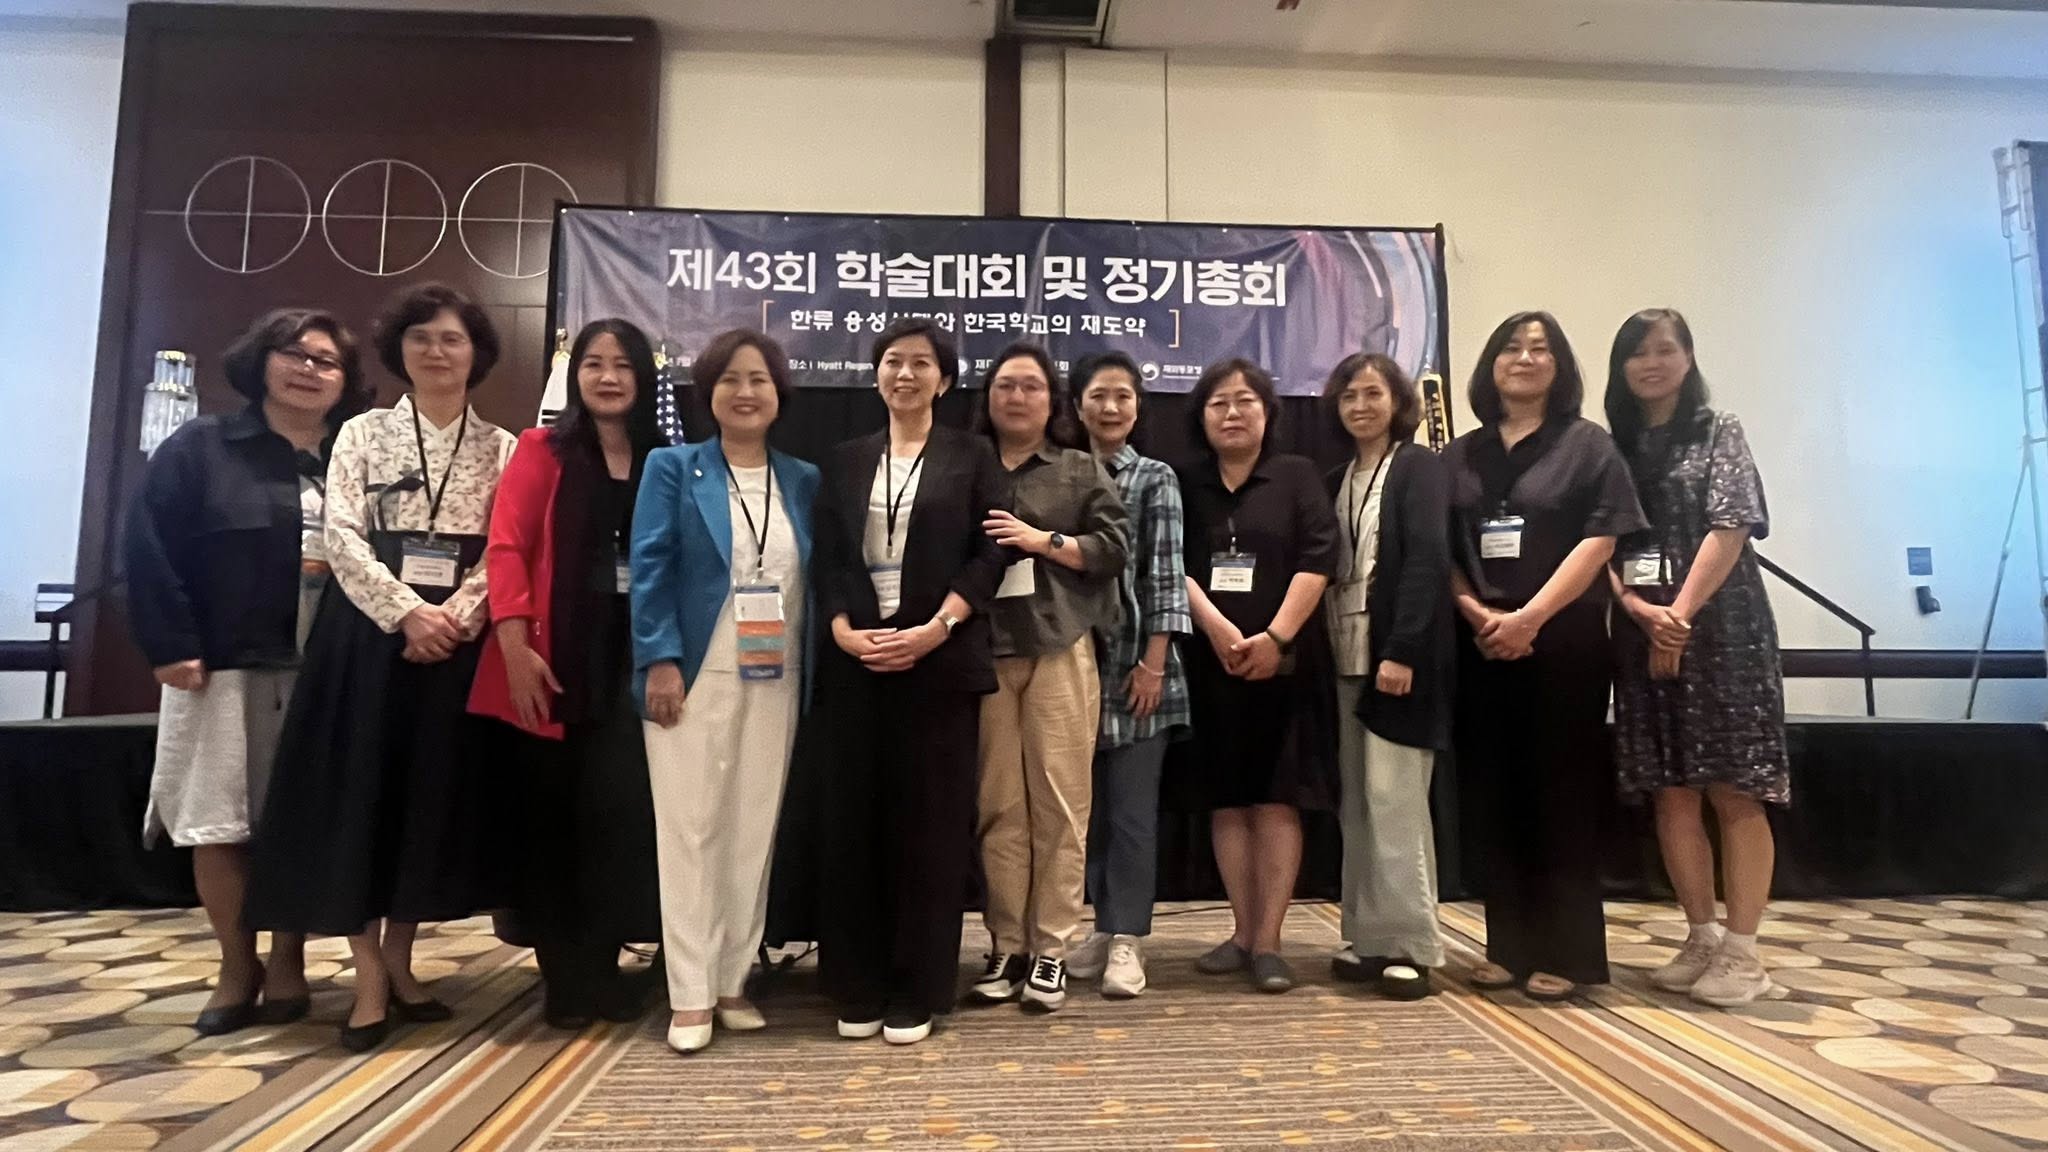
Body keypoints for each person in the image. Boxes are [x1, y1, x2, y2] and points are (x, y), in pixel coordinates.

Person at [245, 283, 518, 1052]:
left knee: (425, 803)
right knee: (359, 797)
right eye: (421, 337)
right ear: (400, 349)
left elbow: (508, 548)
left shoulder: (503, 447)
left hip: (455, 644)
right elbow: (340, 536)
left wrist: (455, 617)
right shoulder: (361, 433)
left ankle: (400, 958)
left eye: (453, 338)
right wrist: (407, 613)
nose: (437, 350)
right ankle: (367, 972)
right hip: (368, 639)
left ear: (477, 353)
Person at [124, 309, 369, 1035]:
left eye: (327, 361)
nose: (309, 370)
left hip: (326, 671)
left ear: (346, 380)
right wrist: (170, 644)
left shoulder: (353, 454)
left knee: (300, 818)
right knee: (219, 823)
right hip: (221, 664)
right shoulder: (201, 447)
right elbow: (148, 547)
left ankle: (289, 958)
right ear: (260, 361)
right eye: (294, 354)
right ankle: (237, 965)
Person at [811, 317, 1010, 1045]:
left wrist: (939, 627)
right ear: (876, 375)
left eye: (921, 363)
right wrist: (841, 628)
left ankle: (918, 987)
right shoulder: (845, 459)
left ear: (944, 380)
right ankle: (856, 983)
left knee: (930, 830)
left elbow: (992, 553)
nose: (905, 374)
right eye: (893, 361)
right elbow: (829, 555)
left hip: (939, 665)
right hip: (859, 661)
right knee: (855, 825)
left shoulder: (973, 455)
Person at [467, 319, 666, 1032]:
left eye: (623, 365)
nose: (608, 377)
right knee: (552, 822)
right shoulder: (542, 448)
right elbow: (506, 547)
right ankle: (564, 979)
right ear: (575, 375)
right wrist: (515, 647)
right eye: (594, 364)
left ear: (644, 378)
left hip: (633, 657)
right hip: (554, 657)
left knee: (617, 820)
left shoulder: (664, 458)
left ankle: (604, 968)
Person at [1444, 311, 1646, 1002]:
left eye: (1540, 349)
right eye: (1511, 347)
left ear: (1559, 367)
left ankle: (1571, 953)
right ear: (1490, 365)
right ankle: (1509, 947)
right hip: (1481, 643)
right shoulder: (1461, 455)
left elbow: (1602, 540)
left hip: (1565, 643)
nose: (1524, 358)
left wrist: (1530, 617)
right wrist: (1477, 612)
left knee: (1562, 795)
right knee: (1495, 795)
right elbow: (1443, 549)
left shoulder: (1589, 446)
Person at [631, 329, 819, 1054]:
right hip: (693, 669)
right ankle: (689, 992)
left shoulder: (802, 477)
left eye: (759, 379)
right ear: (708, 393)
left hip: (776, 672)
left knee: (753, 826)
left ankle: (734, 977)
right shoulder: (674, 467)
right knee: (690, 829)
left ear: (779, 394)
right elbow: (651, 566)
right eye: (731, 379)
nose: (745, 392)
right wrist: (659, 659)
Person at [1604, 309, 1788, 1007]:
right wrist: (1637, 609)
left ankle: (1744, 951)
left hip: (1721, 631)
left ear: (1688, 358)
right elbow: (1600, 541)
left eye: (1665, 350)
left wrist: (1678, 613)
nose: (1651, 363)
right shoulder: (1615, 446)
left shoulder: (1718, 431)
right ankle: (1702, 936)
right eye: (1637, 353)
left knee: (1733, 787)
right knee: (1671, 788)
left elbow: (1730, 526)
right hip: (1643, 630)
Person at [963, 343, 1128, 1014]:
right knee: (998, 807)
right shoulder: (965, 464)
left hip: (1060, 646)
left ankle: (1052, 948)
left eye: (1031, 386)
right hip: (984, 652)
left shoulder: (1078, 467)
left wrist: (1044, 542)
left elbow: (1115, 548)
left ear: (1051, 400)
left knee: (1061, 805)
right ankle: (1007, 945)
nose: (1017, 396)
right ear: (988, 395)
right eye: (1006, 384)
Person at [1177, 358, 1341, 994]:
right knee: (1227, 799)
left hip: (1285, 663)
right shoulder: (1186, 482)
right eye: (1218, 403)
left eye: (1245, 401)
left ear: (1268, 412)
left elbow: (1318, 558)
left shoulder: (1296, 475)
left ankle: (1270, 941)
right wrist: (1218, 630)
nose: (1232, 413)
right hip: (1211, 660)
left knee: (1275, 798)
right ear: (1201, 417)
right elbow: (1173, 563)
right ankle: (1242, 932)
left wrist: (1276, 638)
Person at [1319, 353, 1454, 1001]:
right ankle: (1367, 936)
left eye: (1372, 393)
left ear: (1397, 401)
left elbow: (1428, 559)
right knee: (1358, 804)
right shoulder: (1337, 477)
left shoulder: (1418, 467)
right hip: (1342, 655)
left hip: (1397, 659)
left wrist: (1402, 650)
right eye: (1349, 395)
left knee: (1395, 799)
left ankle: (1411, 944)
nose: (1360, 406)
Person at [1067, 352, 1191, 1000]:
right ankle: (1100, 923)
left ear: (1139, 406)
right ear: (1078, 405)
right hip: (1073, 667)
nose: (1111, 407)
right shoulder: (1064, 471)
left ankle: (1128, 937)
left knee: (1133, 814)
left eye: (1123, 396)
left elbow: (1167, 575)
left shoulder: (1155, 477)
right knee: (1084, 815)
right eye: (1099, 395)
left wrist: (1153, 662)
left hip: (1140, 670)